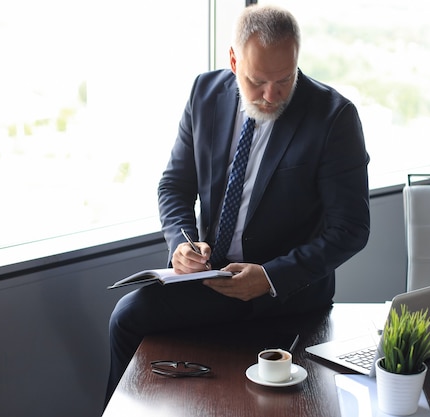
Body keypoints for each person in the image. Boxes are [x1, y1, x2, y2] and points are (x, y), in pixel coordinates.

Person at [105, 4, 370, 406]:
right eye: (257, 80)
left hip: (287, 290)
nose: (271, 95)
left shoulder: (334, 118)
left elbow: (350, 229)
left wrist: (270, 277)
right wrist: (183, 243)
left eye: (285, 79)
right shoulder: (204, 93)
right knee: (127, 316)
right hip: (211, 278)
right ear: (233, 60)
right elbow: (174, 185)